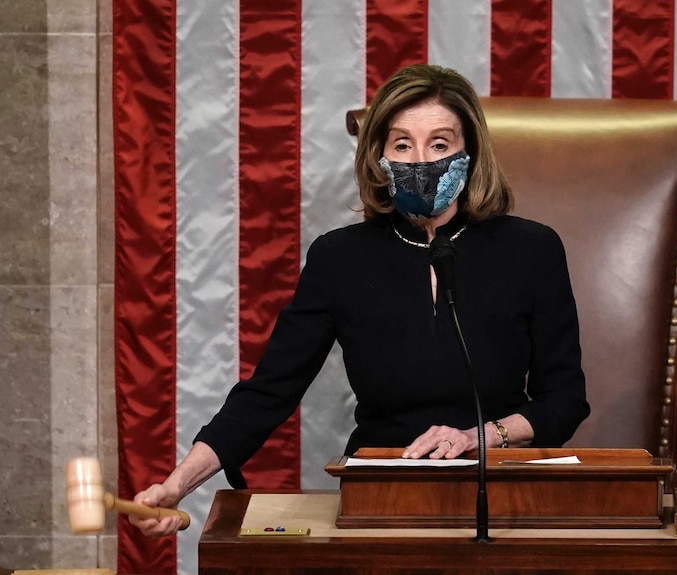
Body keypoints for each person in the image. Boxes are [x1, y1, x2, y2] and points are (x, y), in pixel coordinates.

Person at [131, 64, 590, 537]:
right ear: (379, 156)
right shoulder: (339, 257)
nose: (420, 160)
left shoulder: (531, 249)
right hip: (381, 494)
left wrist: (479, 437)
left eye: (439, 143)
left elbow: (565, 400)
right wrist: (177, 484)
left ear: (469, 153)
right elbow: (268, 393)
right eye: (402, 144)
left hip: (502, 491)